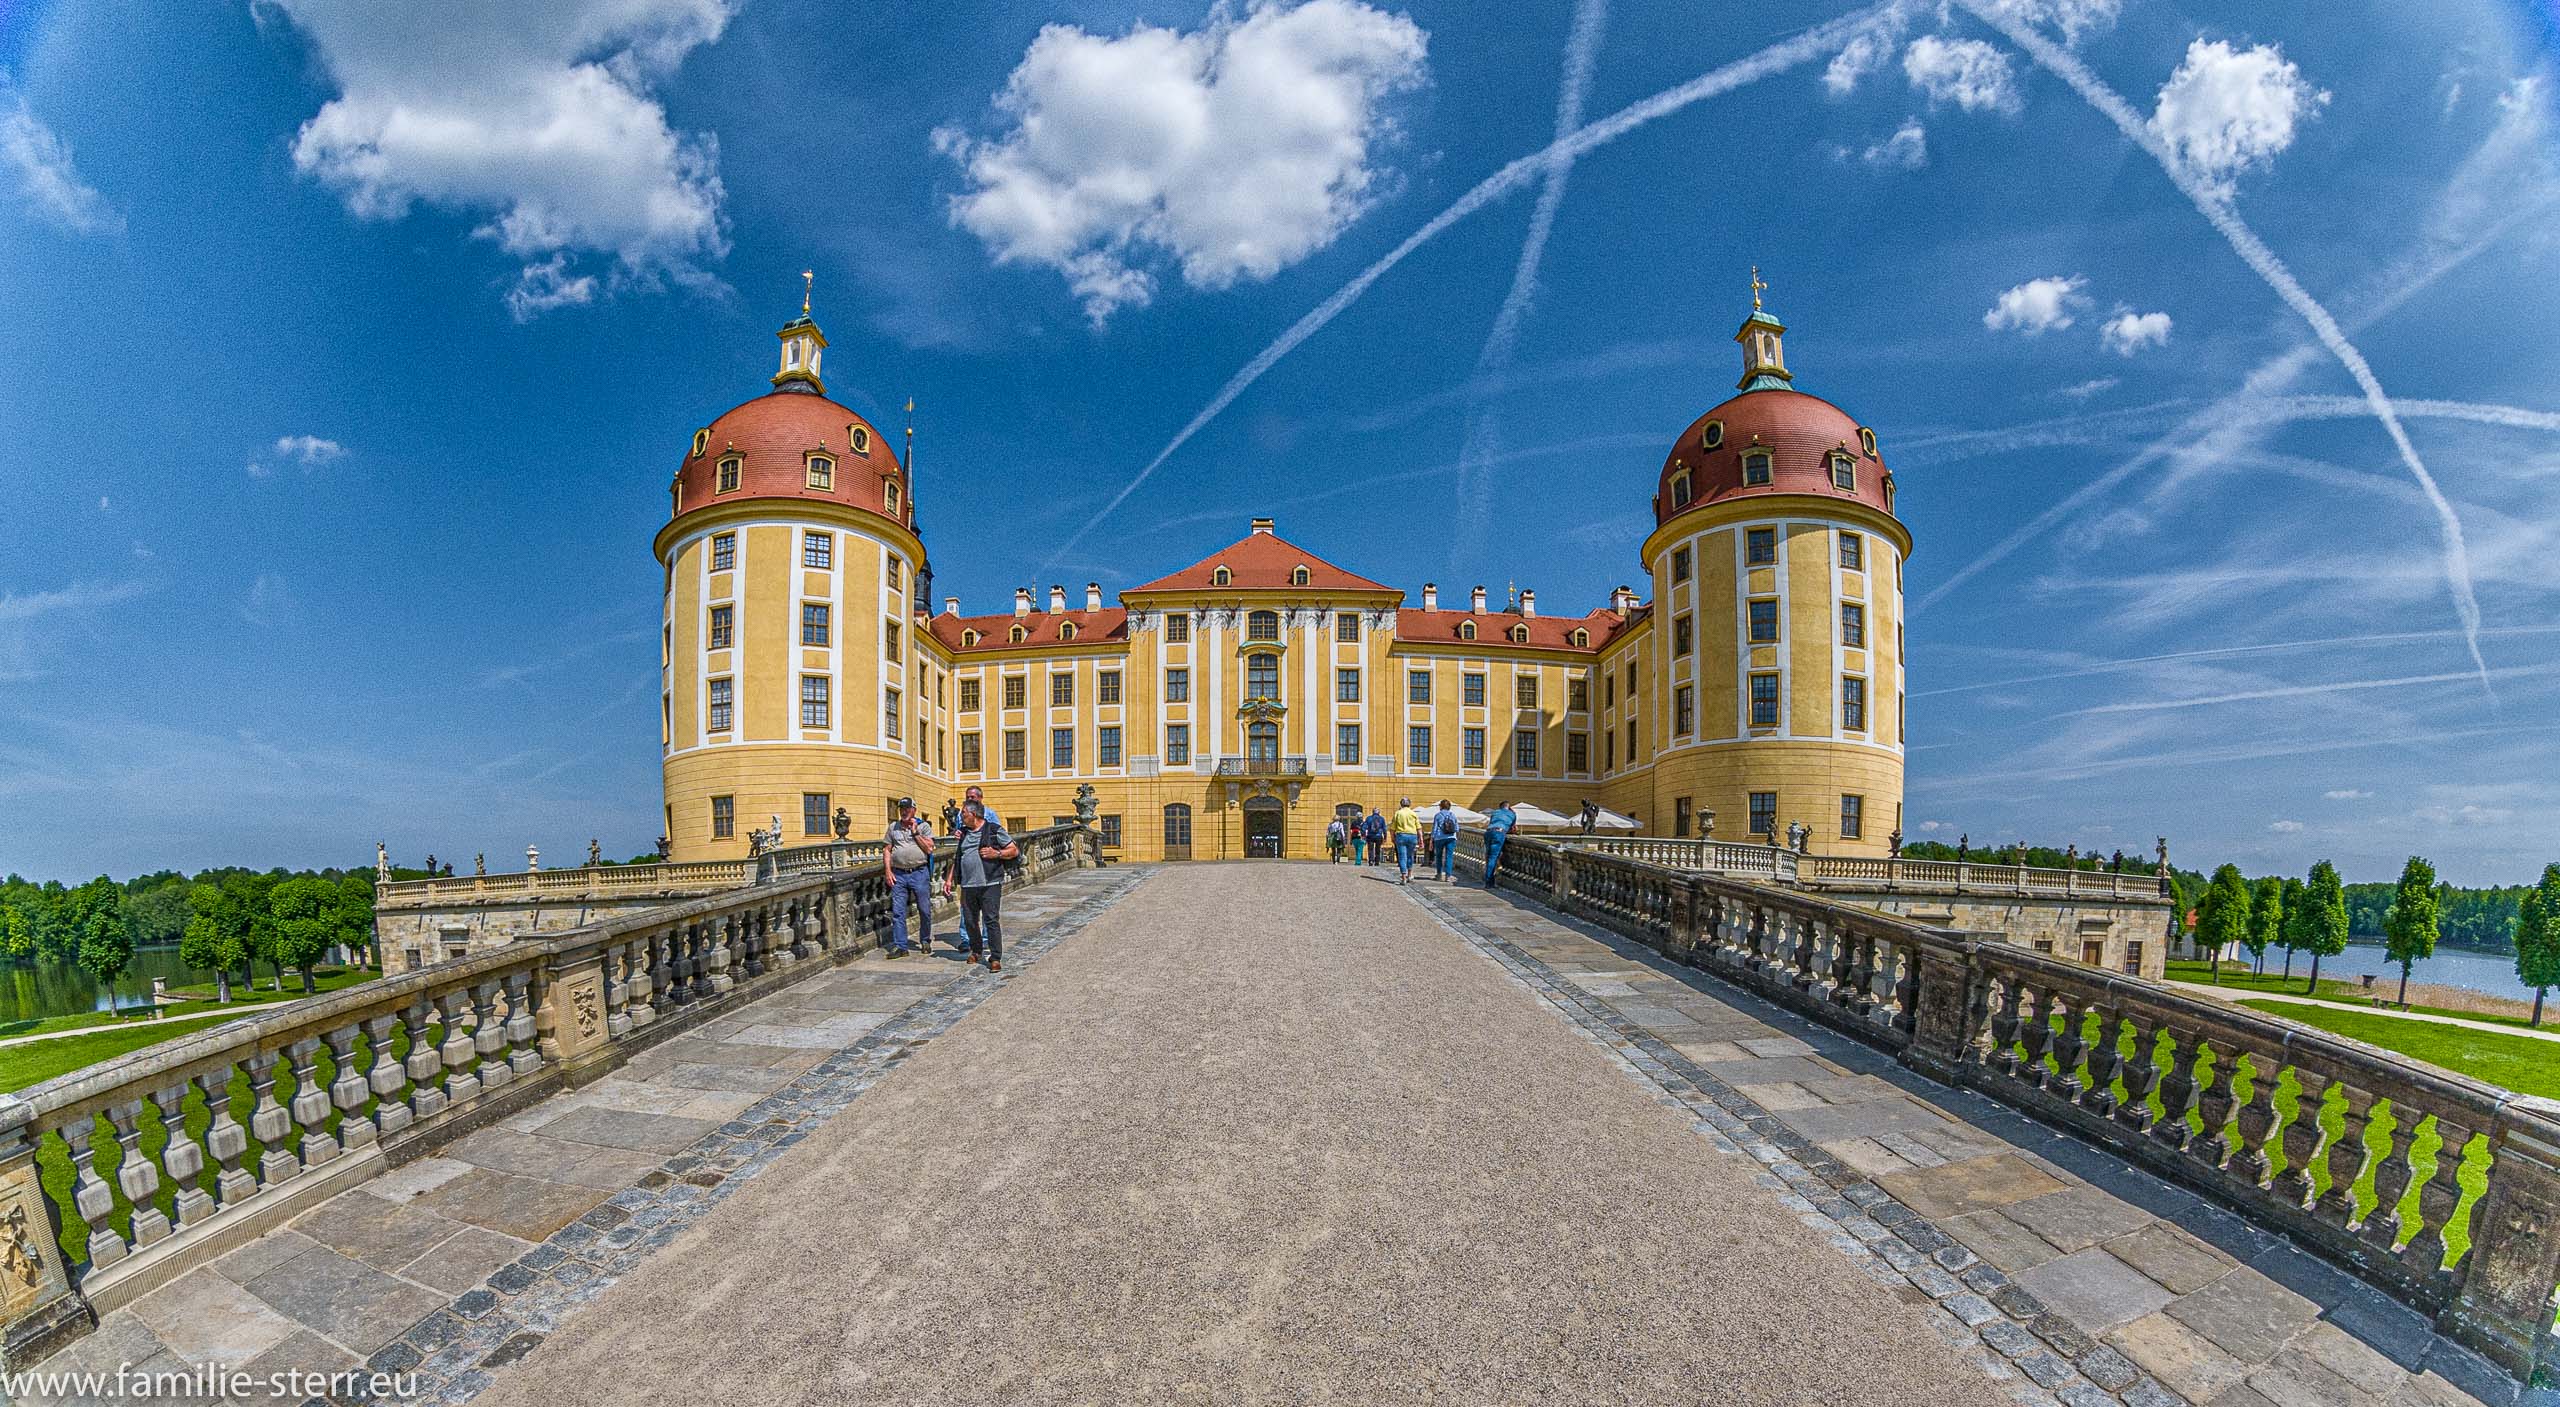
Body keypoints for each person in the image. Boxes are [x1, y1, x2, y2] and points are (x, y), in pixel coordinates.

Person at [944, 799, 1017, 972]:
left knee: (990, 920)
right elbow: (958, 857)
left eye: (963, 813)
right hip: (968, 885)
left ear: (973, 814)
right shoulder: (963, 833)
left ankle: (995, 957)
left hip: (989, 882)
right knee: (970, 921)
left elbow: (1014, 850)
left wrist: (997, 853)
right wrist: (949, 879)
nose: (961, 816)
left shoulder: (993, 830)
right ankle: (976, 951)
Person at [883, 797, 936, 958]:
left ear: (914, 810)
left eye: (907, 808)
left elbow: (929, 849)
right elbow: (887, 849)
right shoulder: (893, 827)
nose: (904, 811)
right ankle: (901, 946)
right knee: (898, 912)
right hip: (899, 874)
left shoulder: (923, 826)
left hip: (919, 873)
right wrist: (888, 871)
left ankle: (925, 940)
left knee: (924, 910)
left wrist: (915, 832)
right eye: (901, 808)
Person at [1483, 801, 1518, 885]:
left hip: (1488, 832)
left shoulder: (1495, 812)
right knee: (1493, 857)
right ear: (1508, 807)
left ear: (1500, 807)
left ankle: (1487, 878)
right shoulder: (1512, 814)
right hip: (1499, 833)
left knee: (1488, 855)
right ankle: (1489, 882)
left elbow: (1492, 822)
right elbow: (1512, 828)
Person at [1390, 798, 1421, 884]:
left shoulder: (1398, 813)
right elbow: (1419, 828)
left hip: (1401, 836)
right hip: (1412, 836)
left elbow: (1392, 828)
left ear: (1401, 804)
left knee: (1402, 857)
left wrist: (1392, 838)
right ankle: (1410, 875)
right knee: (1410, 855)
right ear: (1409, 804)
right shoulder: (1413, 813)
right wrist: (1421, 839)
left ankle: (1403, 877)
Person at [1431, 801, 1460, 882]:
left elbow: (1435, 828)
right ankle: (1448, 876)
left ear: (1440, 806)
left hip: (1439, 838)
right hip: (1451, 837)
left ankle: (1439, 874)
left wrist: (1432, 839)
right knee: (1449, 856)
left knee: (1439, 856)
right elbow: (1457, 828)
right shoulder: (1452, 815)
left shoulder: (1437, 815)